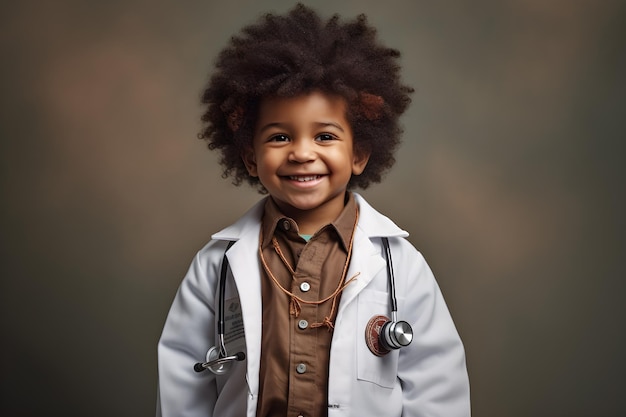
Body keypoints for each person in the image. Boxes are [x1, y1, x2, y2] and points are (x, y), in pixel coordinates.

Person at [156, 4, 470, 417]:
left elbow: (436, 385)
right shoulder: (215, 266)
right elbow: (184, 382)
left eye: (325, 136)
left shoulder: (401, 266)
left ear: (358, 154)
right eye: (280, 136)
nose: (302, 153)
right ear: (250, 158)